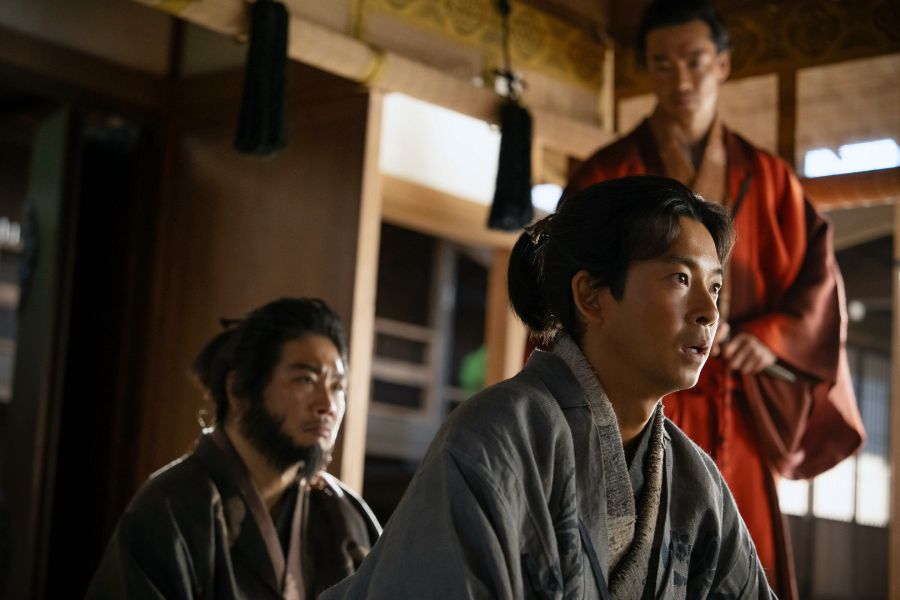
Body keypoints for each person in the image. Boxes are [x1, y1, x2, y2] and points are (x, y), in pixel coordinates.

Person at [323, 175, 773, 599]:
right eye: (680, 278)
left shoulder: (697, 483)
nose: (709, 312)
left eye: (715, 287)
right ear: (591, 296)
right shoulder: (494, 437)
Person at [564, 2, 865, 598]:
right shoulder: (610, 173)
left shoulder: (771, 179)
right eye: (662, 64)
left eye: (695, 61)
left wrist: (770, 338)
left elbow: (816, 283)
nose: (680, 78)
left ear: (723, 65)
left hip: (737, 405)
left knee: (743, 565)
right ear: (646, 70)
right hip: (633, 409)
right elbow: (568, 287)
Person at [87, 298, 381, 599]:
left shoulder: (345, 517)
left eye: (337, 387)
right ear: (239, 389)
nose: (328, 405)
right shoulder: (170, 508)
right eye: (305, 380)